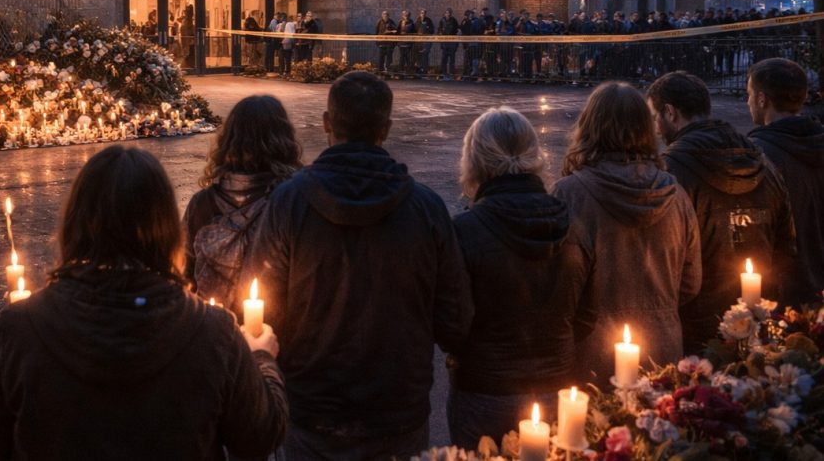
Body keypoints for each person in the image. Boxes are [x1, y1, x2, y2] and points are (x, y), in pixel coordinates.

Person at [0, 146, 288, 460]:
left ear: (76, 223)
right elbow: (257, 439)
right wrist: (261, 359)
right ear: (166, 228)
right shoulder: (214, 332)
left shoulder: (20, 327)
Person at [243, 71, 472, 458]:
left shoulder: (289, 202)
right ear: (386, 129)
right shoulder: (426, 208)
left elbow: (262, 304)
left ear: (327, 124)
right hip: (396, 410)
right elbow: (456, 319)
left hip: (312, 408)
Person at [446, 107, 594, 449]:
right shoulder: (573, 226)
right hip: (557, 386)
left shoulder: (464, 231)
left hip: (483, 390)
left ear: (474, 160)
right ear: (533, 156)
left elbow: (450, 321)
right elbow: (587, 314)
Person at [551, 82, 700, 385]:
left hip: (592, 351)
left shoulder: (570, 194)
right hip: (662, 350)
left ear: (589, 125)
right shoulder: (675, 194)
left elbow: (559, 285)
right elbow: (690, 282)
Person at [646, 71, 796, 352]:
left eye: (655, 117)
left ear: (669, 112)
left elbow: (660, 254)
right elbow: (786, 244)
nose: (655, 129)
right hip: (759, 318)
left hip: (697, 325)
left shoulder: (670, 171)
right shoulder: (761, 160)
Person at [186, 95, 302, 308]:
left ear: (228, 139)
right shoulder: (295, 200)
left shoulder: (202, 204)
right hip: (277, 328)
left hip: (215, 328)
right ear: (284, 139)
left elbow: (185, 272)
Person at [746, 58, 824, 305]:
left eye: (749, 94)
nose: (748, 102)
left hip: (783, 294)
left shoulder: (758, 156)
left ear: (762, 99)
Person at [438, 7, 460, 79]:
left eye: (450, 13)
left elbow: (457, 29)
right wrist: (440, 33)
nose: (448, 14)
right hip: (444, 43)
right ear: (445, 13)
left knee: (452, 59)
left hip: (452, 43)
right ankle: (443, 73)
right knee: (444, 58)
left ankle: (451, 73)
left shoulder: (454, 20)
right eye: (447, 13)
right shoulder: (442, 20)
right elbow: (439, 29)